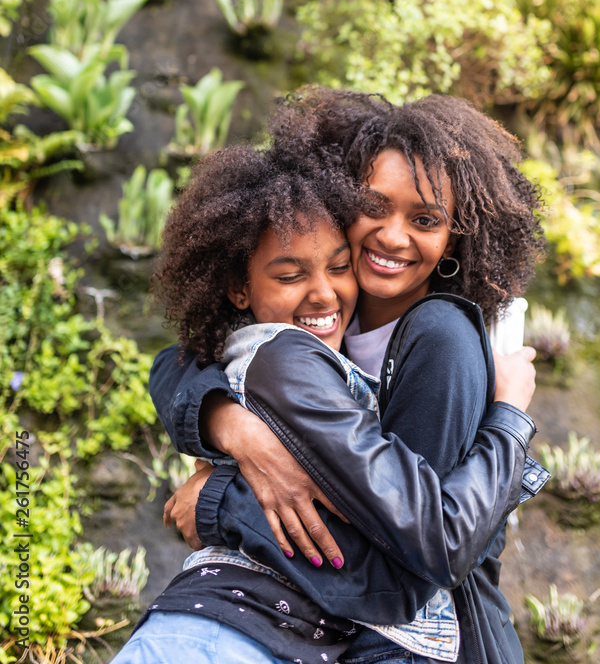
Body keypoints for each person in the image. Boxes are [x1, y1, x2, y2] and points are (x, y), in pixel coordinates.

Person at [149, 90, 547, 664]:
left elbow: (421, 551)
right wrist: (229, 424)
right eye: (375, 206)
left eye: (425, 219)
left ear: (454, 238)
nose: (392, 236)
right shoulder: (334, 307)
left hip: (437, 641)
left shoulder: (441, 337)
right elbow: (176, 363)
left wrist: (219, 497)